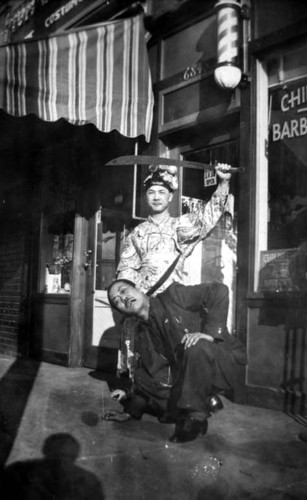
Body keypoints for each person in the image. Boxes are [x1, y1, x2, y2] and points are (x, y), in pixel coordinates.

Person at [115, 162, 232, 377]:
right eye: (151, 192)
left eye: (162, 192)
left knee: (174, 353)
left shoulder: (180, 226)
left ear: (171, 196)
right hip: (142, 303)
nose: (156, 196)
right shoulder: (136, 233)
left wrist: (223, 182)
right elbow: (126, 271)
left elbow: (208, 217)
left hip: (172, 303)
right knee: (141, 354)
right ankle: (136, 395)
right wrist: (128, 299)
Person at [106, 278, 247, 444]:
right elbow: (151, 375)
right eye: (117, 301)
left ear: (138, 288)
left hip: (223, 360)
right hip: (192, 374)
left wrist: (210, 334)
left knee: (197, 346)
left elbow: (219, 290)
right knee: (152, 383)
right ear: (122, 311)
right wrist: (130, 411)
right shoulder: (142, 333)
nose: (123, 298)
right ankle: (206, 400)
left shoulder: (174, 296)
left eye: (123, 291)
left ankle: (196, 417)